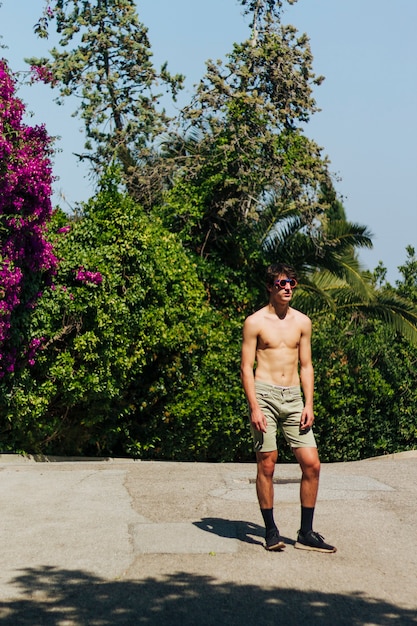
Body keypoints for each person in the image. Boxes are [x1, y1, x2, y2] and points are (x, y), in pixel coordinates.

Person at [240, 263, 336, 553]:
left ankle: (306, 533)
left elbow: (306, 365)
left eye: (291, 283)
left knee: (312, 464)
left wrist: (309, 403)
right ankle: (271, 530)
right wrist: (254, 407)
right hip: (265, 395)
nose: (287, 288)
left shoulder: (302, 322)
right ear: (270, 286)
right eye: (282, 283)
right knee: (267, 462)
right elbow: (246, 367)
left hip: (294, 397)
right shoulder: (254, 322)